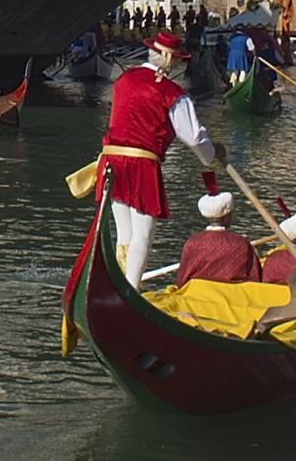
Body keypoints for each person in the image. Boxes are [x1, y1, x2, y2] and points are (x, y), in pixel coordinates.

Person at [94, 30, 224, 284]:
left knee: (125, 234)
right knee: (144, 233)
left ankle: (119, 280)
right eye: (176, 60)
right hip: (141, 163)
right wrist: (212, 154)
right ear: (167, 58)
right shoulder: (171, 93)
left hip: (111, 160)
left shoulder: (123, 80)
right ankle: (131, 288)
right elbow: (194, 137)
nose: (177, 65)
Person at [174, 180, 260, 285]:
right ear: (227, 216)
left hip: (197, 293)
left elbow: (182, 277)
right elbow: (254, 276)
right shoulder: (241, 243)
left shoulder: (192, 241)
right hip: (233, 294)